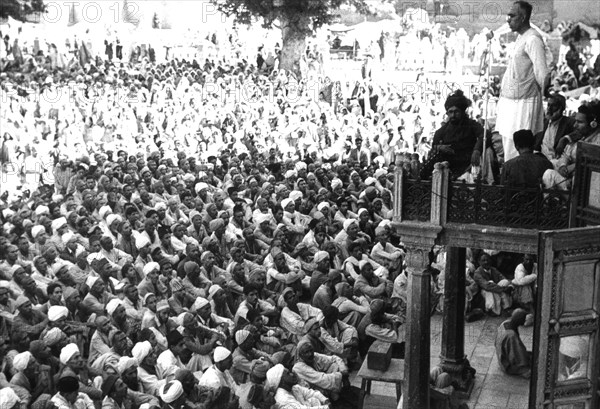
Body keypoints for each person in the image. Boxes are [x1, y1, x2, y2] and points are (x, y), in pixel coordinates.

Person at [496, 1, 549, 162]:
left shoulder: (533, 39)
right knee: (508, 148)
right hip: (511, 101)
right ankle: (509, 182)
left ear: (523, 17)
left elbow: (542, 72)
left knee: (519, 150)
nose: (508, 19)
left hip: (524, 102)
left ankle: (516, 185)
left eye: (512, 15)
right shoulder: (521, 37)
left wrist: (545, 92)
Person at [429, 90, 483, 178]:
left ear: (462, 112)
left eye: (456, 112)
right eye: (450, 112)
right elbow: (434, 145)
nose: (453, 115)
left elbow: (484, 135)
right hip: (449, 167)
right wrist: (439, 147)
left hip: (468, 165)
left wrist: (477, 150)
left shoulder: (471, 125)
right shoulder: (442, 130)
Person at [533, 93, 576, 161]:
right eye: (548, 105)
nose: (549, 109)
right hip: (540, 159)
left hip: (558, 161)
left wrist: (565, 138)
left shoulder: (569, 122)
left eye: (553, 106)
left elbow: (581, 132)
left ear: (561, 108)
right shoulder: (543, 122)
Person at [495, 308, 531, 378]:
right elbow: (516, 355)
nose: (524, 321)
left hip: (501, 355)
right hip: (506, 365)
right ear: (520, 320)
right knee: (530, 371)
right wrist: (525, 362)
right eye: (524, 319)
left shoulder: (505, 323)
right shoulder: (511, 335)